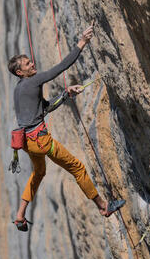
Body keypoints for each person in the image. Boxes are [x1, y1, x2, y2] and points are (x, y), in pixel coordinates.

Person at [8, 23, 125, 231]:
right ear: (20, 71)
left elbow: (42, 108)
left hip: (27, 142)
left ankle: (20, 214)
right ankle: (103, 206)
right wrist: (82, 42)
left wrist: (65, 94)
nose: (32, 64)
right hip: (41, 141)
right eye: (27, 64)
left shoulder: (19, 90)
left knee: (39, 173)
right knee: (77, 167)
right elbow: (61, 67)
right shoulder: (33, 80)